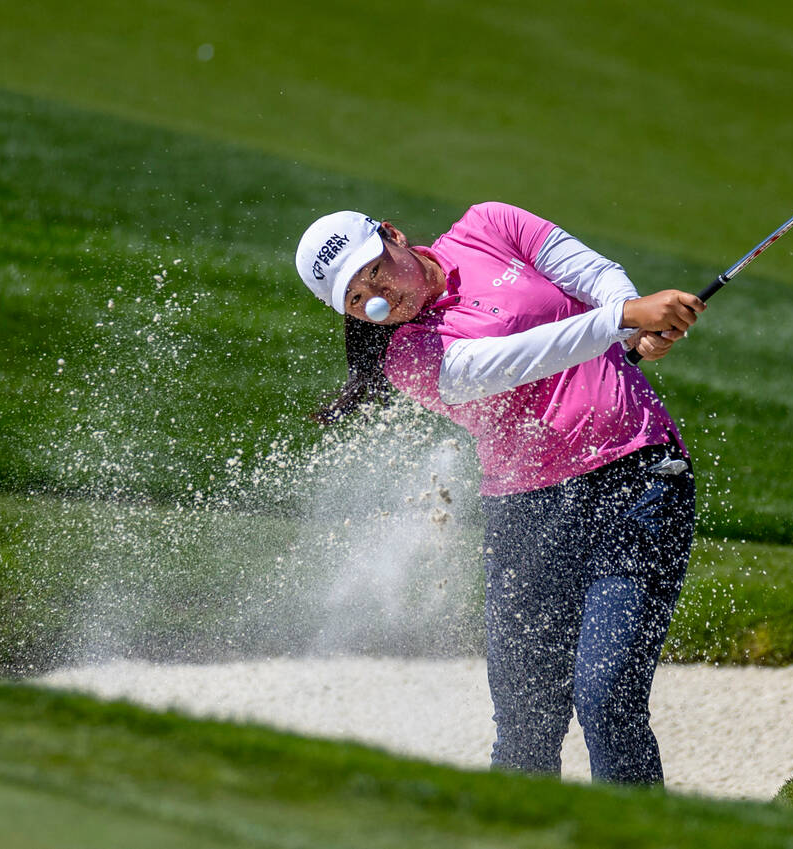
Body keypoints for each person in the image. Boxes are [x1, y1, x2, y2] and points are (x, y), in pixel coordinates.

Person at [294, 202, 703, 785]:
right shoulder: (408, 356)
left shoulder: (488, 225)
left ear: (393, 235)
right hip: (526, 515)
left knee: (606, 698)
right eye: (357, 300)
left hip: (636, 479)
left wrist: (634, 320)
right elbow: (513, 361)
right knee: (525, 725)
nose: (378, 299)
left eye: (375, 272)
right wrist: (621, 320)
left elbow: (594, 274)